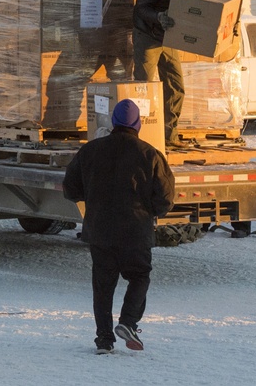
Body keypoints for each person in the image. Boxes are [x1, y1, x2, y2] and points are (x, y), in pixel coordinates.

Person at [63, 99, 175, 355]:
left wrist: (90, 196)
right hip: (135, 231)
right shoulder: (150, 154)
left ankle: (104, 340)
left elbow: (70, 189)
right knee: (139, 276)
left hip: (99, 230)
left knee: (103, 285)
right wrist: (150, 213)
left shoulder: (89, 151)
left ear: (113, 122)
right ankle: (128, 322)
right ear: (137, 124)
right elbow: (165, 198)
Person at [133, 0, 199, 146]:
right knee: (144, 85)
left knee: (175, 84)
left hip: (170, 36)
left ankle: (169, 136)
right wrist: (159, 17)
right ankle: (139, 138)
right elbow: (141, 8)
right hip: (148, 34)